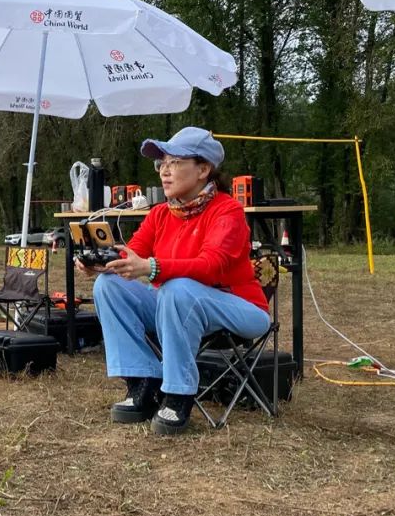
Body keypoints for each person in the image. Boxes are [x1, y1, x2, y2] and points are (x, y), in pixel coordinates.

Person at [78, 127, 270, 435]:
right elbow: (134, 254)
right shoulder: (160, 214)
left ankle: (179, 394)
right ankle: (143, 381)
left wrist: (151, 267)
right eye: (161, 164)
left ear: (203, 169)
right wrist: (103, 261)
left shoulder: (228, 210)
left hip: (240, 308)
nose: (164, 172)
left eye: (174, 163)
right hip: (176, 305)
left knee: (176, 287)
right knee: (110, 287)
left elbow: (211, 267)